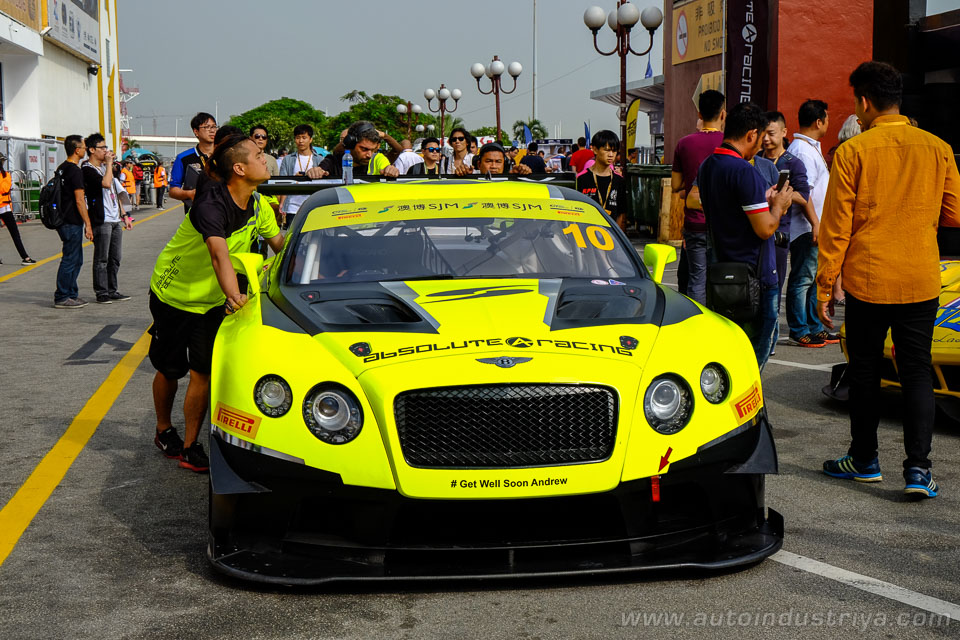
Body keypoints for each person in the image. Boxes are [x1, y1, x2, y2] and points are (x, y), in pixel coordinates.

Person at [818, 61, 960, 497]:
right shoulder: (938, 147)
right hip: (920, 277)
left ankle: (864, 460)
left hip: (869, 279)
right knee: (917, 371)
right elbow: (954, 212)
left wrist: (826, 284)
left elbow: (836, 227)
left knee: (864, 372)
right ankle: (918, 470)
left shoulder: (852, 152)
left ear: (864, 101)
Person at [149, 133, 284, 472]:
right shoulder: (211, 203)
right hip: (174, 295)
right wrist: (234, 295)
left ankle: (191, 448)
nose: (264, 158)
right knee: (170, 369)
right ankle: (163, 429)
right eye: (257, 154)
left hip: (211, 303)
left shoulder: (259, 205)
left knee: (203, 373)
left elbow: (281, 246)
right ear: (239, 168)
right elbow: (218, 253)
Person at [696, 102, 794, 370]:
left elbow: (730, 209)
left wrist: (762, 201)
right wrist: (778, 205)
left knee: (729, 350)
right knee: (753, 354)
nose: (761, 146)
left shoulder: (708, 166)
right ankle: (749, 405)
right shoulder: (744, 170)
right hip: (755, 276)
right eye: (760, 139)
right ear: (751, 134)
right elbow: (765, 228)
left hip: (722, 271)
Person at [786, 99, 836, 347]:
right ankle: (799, 328)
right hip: (807, 227)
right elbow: (804, 194)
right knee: (802, 279)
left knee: (811, 279)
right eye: (826, 118)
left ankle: (814, 326)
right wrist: (815, 223)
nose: (828, 123)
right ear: (819, 121)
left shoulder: (808, 147)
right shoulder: (803, 151)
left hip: (813, 226)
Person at [671, 89, 726, 305]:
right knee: (721, 277)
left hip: (695, 222)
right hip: (723, 224)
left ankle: (697, 322)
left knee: (696, 278)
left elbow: (676, 185)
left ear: (699, 114)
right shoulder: (729, 142)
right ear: (723, 113)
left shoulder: (684, 143)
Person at [760, 111, 817, 317]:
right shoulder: (755, 160)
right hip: (756, 230)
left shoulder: (793, 162)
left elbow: (804, 195)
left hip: (779, 234)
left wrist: (786, 195)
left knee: (774, 285)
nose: (766, 138)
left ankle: (771, 334)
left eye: (771, 133)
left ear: (784, 132)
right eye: (763, 133)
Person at [82, 134, 132, 304]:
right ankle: (101, 292)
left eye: (106, 148)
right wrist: (109, 164)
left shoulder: (106, 168)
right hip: (101, 219)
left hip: (115, 218)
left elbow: (116, 192)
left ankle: (113, 289)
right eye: (102, 148)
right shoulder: (87, 169)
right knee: (101, 258)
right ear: (92, 150)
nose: (106, 151)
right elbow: (104, 184)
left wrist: (124, 214)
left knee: (115, 258)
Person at [53, 135, 93, 309]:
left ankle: (71, 293)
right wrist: (88, 224)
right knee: (71, 259)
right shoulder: (75, 171)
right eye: (84, 147)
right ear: (77, 150)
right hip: (71, 220)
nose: (85, 150)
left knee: (75, 259)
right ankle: (62, 296)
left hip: (63, 219)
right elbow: (79, 200)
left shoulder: (62, 168)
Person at [278, 124, 328, 228]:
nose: (300, 141)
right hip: (292, 207)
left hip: (313, 206)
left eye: (304, 137)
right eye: (297, 138)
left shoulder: (319, 160)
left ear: (310, 139)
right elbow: (282, 182)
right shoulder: (288, 159)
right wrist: (282, 204)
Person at [169, 112, 217, 211]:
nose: (212, 130)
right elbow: (173, 190)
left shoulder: (224, 154)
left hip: (222, 213)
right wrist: (189, 194)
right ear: (196, 131)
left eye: (214, 127)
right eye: (207, 127)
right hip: (196, 214)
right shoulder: (183, 158)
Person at [575, 130, 627, 222]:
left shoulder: (619, 180)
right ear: (595, 149)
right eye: (607, 150)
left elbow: (621, 214)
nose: (611, 155)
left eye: (614, 151)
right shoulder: (581, 179)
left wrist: (614, 236)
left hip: (610, 234)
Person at [319, 121, 400, 179]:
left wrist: (391, 170)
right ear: (351, 144)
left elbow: (397, 150)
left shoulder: (377, 159)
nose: (369, 155)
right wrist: (316, 172)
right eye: (364, 149)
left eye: (372, 150)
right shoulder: (332, 161)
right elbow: (320, 170)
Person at [0, 153, 35, 265]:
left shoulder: (6, 175)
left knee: (15, 233)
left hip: (4, 206)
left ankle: (25, 257)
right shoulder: (5, 176)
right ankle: (25, 257)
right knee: (15, 234)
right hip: (4, 207)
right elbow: (5, 188)